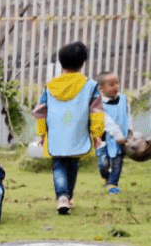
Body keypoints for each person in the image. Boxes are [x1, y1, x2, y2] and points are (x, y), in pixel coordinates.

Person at [32, 41, 105, 215]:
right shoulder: (90, 86)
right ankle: (67, 196)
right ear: (82, 63)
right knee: (73, 163)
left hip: (56, 133)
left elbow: (41, 111)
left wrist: (42, 133)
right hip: (77, 133)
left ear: (61, 62)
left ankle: (63, 197)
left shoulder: (50, 86)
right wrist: (97, 134)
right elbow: (96, 112)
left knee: (58, 164)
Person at [95, 71, 131, 194]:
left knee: (117, 162)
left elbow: (128, 117)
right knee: (103, 163)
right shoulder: (98, 103)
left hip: (119, 140)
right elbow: (106, 121)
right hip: (103, 139)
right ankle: (107, 177)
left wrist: (130, 132)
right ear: (102, 87)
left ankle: (112, 184)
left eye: (117, 83)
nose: (116, 86)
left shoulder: (123, 101)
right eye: (111, 84)